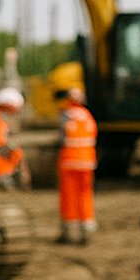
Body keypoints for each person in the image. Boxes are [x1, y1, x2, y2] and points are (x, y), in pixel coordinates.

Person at [52, 85, 98, 243]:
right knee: (85, 195)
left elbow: (61, 138)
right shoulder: (88, 116)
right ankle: (86, 230)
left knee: (69, 196)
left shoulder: (66, 115)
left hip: (69, 162)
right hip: (87, 162)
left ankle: (69, 232)